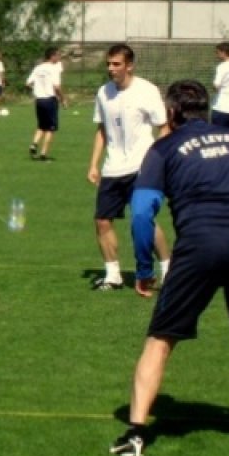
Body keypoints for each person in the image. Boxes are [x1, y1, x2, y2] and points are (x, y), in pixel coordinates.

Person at [109, 79, 229, 456]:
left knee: (160, 340)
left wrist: (144, 268)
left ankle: (137, 433)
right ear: (206, 110)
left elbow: (142, 211)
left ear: (172, 112)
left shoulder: (163, 149)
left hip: (201, 244)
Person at [88, 44, 170, 291]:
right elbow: (102, 130)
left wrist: (156, 160)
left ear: (129, 65)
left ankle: (167, 268)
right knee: (102, 221)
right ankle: (112, 275)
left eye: (116, 64)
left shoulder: (147, 91)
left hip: (141, 166)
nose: (111, 68)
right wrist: (94, 164)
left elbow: (164, 127)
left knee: (143, 219)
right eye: (108, 64)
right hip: (113, 168)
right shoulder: (104, 93)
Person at [25, 47, 66, 161]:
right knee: (50, 129)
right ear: (52, 56)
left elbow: (28, 83)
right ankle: (43, 154)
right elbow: (56, 87)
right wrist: (63, 99)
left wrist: (37, 89)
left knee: (41, 126)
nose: (59, 57)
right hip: (50, 100)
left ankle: (34, 144)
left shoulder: (38, 68)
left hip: (39, 100)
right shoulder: (53, 69)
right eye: (58, 55)